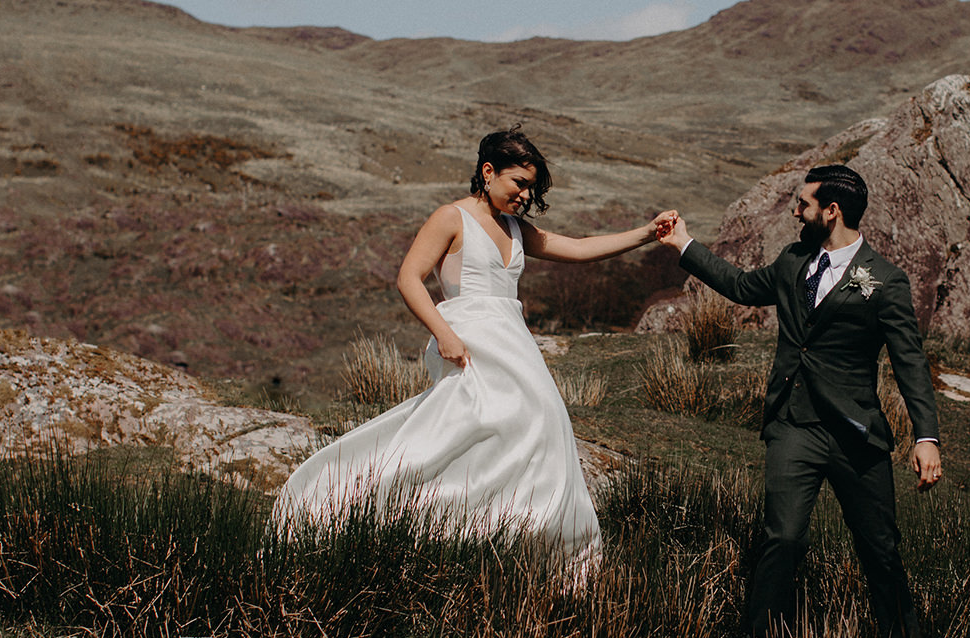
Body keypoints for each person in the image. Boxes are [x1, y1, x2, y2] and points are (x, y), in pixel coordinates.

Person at [274, 127, 675, 569]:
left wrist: (646, 232)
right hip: (469, 341)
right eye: (519, 183)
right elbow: (409, 277)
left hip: (513, 343)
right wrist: (443, 332)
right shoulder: (451, 217)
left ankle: (530, 540)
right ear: (488, 172)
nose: (525, 195)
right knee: (463, 431)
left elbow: (579, 249)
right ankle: (385, 511)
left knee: (542, 424)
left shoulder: (516, 229)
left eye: (531, 188)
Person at [655, 163, 950, 638]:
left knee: (882, 554)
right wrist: (683, 244)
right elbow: (742, 287)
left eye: (803, 203)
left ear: (831, 211)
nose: (795, 210)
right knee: (782, 539)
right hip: (793, 425)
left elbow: (910, 363)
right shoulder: (793, 262)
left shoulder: (884, 280)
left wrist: (926, 435)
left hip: (857, 435)